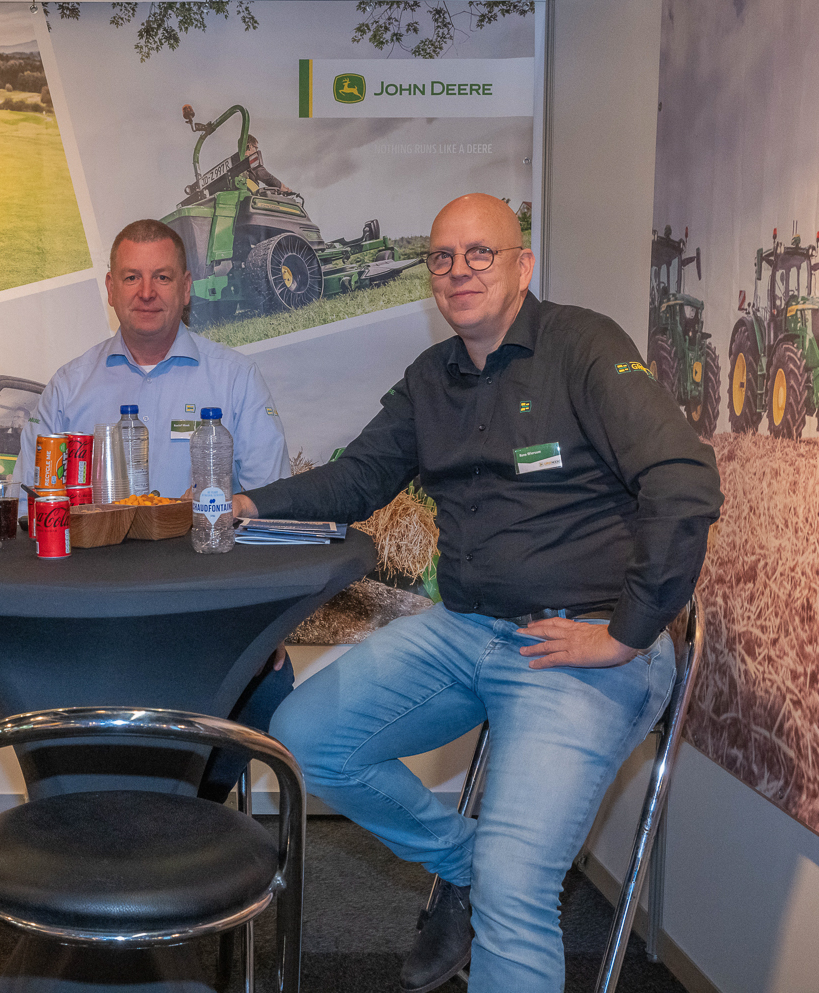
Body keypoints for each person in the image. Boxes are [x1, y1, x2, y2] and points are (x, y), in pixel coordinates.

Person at [233, 194, 723, 992]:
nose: (458, 271)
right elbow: (357, 479)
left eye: (480, 253)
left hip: (580, 646)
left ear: (522, 266)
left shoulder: (585, 347)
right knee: (304, 737)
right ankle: (467, 863)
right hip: (464, 629)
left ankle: (492, 875)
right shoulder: (432, 377)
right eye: (442, 257)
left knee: (517, 883)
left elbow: (684, 480)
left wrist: (627, 633)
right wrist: (251, 504)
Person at [15, 218, 293, 801]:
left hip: (206, 613)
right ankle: (80, 810)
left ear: (187, 288)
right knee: (19, 679)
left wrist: (263, 624)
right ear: (110, 289)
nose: (147, 292)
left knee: (269, 684)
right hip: (91, 615)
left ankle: (196, 813)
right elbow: (31, 506)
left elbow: (271, 507)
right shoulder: (69, 387)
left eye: (162, 277)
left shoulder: (235, 378)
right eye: (132, 278)